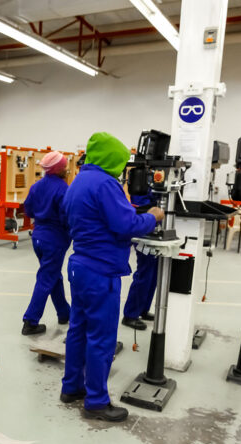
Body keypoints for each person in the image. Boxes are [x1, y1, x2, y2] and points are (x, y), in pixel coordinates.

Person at [61, 132, 164, 422]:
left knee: (78, 330)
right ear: (112, 160)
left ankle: (71, 387)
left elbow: (77, 215)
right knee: (101, 338)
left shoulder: (79, 180)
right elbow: (125, 224)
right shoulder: (106, 183)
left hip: (79, 264)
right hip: (101, 271)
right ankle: (96, 401)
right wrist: (153, 216)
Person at [21, 151, 71, 335]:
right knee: (46, 278)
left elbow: (28, 210)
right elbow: (66, 217)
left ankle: (64, 313)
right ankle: (30, 321)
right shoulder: (63, 189)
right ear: (60, 169)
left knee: (52, 275)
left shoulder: (36, 186)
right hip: (55, 238)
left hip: (38, 237)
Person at [121, 186, 158, 330]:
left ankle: (143, 309)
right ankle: (130, 315)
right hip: (143, 232)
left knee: (154, 271)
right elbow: (140, 205)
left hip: (155, 228)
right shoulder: (140, 177)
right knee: (145, 271)